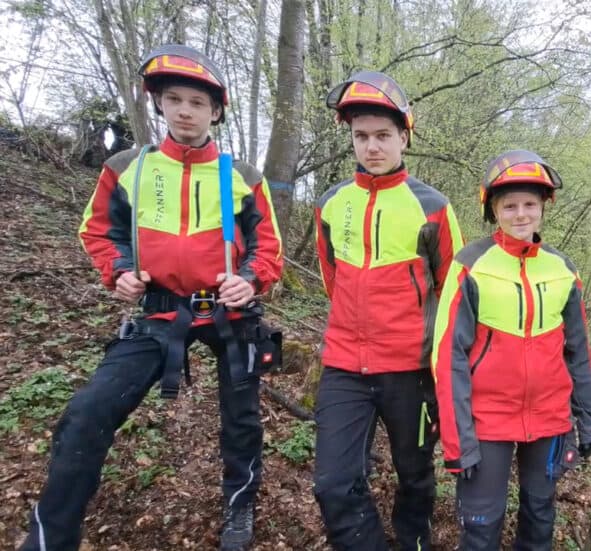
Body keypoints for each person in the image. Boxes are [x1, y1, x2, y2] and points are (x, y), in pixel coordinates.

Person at [20, 44, 283, 551]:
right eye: (175, 99)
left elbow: (268, 243)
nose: (186, 110)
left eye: (198, 103)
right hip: (160, 308)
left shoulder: (242, 177)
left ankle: (239, 507)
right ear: (159, 104)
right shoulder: (128, 168)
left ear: (216, 111)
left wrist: (250, 279)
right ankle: (50, 537)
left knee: (242, 418)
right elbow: (98, 232)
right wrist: (117, 271)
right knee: (87, 413)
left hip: (229, 310)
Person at [312, 70, 464, 551]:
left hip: (410, 369)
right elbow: (331, 278)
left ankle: (413, 540)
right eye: (361, 136)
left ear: (404, 137)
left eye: (383, 135)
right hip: (343, 366)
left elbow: (453, 295)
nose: (371, 146)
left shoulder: (433, 207)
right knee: (332, 483)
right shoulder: (331, 203)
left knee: (415, 475)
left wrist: (443, 372)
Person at [433, 150, 591, 550]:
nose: (521, 214)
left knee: (540, 515)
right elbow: (448, 355)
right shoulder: (471, 264)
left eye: (530, 204)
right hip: (486, 419)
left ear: (544, 206)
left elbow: (578, 351)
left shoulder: (563, 268)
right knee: (480, 524)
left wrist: (588, 417)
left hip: (550, 419)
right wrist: (458, 440)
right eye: (510, 205)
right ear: (493, 208)